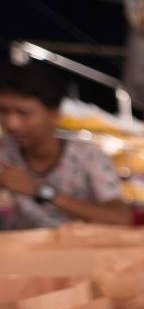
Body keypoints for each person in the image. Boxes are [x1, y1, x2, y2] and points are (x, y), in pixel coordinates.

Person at [0, 64, 131, 228]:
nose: (12, 124)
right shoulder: (3, 151)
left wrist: (39, 191)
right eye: (3, 111)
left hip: (75, 249)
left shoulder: (88, 156)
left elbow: (120, 218)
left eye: (24, 114)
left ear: (54, 114)